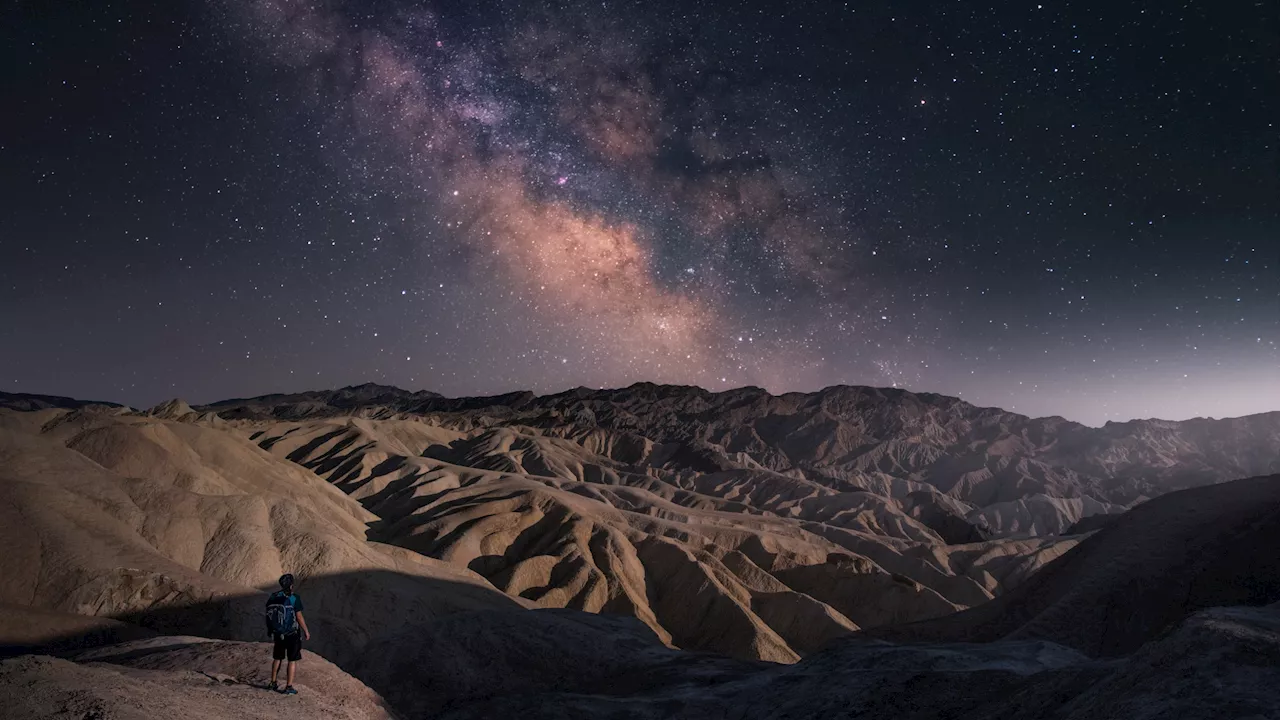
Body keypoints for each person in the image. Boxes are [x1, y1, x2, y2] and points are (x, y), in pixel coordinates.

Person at [265, 573, 311, 694]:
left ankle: (273, 683)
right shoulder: (294, 598)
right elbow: (299, 616)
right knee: (292, 660)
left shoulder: (274, 597)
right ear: (291, 585)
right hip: (292, 633)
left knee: (277, 658)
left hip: (278, 633)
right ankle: (289, 686)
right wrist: (306, 630)